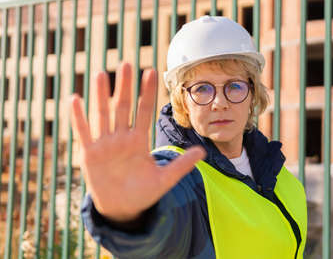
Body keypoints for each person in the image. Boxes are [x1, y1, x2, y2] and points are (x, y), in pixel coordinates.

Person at [71, 15, 307, 259]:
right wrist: (133, 217)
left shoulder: (283, 179)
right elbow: (162, 230)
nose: (219, 103)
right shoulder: (176, 175)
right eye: (202, 88)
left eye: (234, 86)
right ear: (182, 101)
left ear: (252, 93)